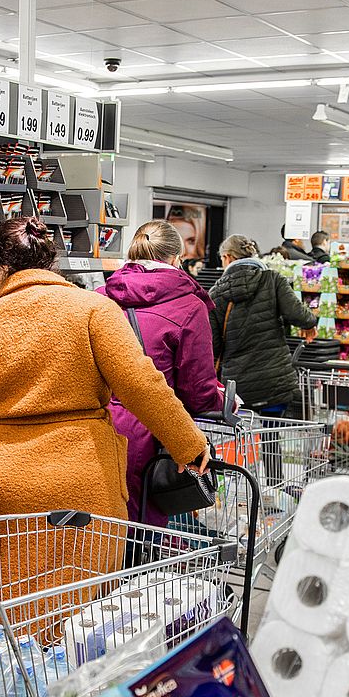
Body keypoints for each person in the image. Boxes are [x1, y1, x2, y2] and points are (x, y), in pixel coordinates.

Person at [0, 218, 208, 600]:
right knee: (84, 610)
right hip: (84, 474)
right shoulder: (92, 309)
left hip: (5, 483)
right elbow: (141, 383)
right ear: (52, 263)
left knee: (7, 612)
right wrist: (189, 444)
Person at [100, 221, 226, 526]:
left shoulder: (100, 296)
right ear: (175, 259)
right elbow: (198, 391)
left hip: (98, 428)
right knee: (144, 531)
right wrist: (226, 402)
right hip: (153, 433)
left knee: (102, 531)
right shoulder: (189, 306)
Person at [210, 235, 318, 414]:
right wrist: (309, 325)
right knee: (272, 434)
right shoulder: (272, 279)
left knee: (242, 439)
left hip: (238, 386)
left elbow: (213, 345)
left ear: (227, 257)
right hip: (275, 382)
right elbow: (298, 314)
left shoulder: (216, 293)